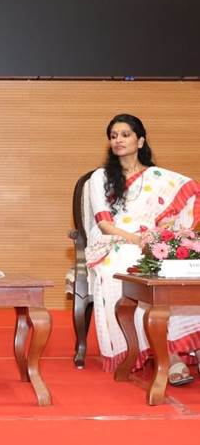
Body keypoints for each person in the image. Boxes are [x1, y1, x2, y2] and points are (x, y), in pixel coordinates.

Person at [85, 113, 200, 385]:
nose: (118, 140)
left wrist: (166, 229)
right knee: (125, 266)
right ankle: (169, 355)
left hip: (151, 241)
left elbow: (190, 193)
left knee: (179, 269)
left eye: (125, 135)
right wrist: (137, 240)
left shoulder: (158, 178)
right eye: (113, 136)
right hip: (113, 243)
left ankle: (191, 346)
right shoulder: (100, 177)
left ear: (140, 141)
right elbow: (105, 225)